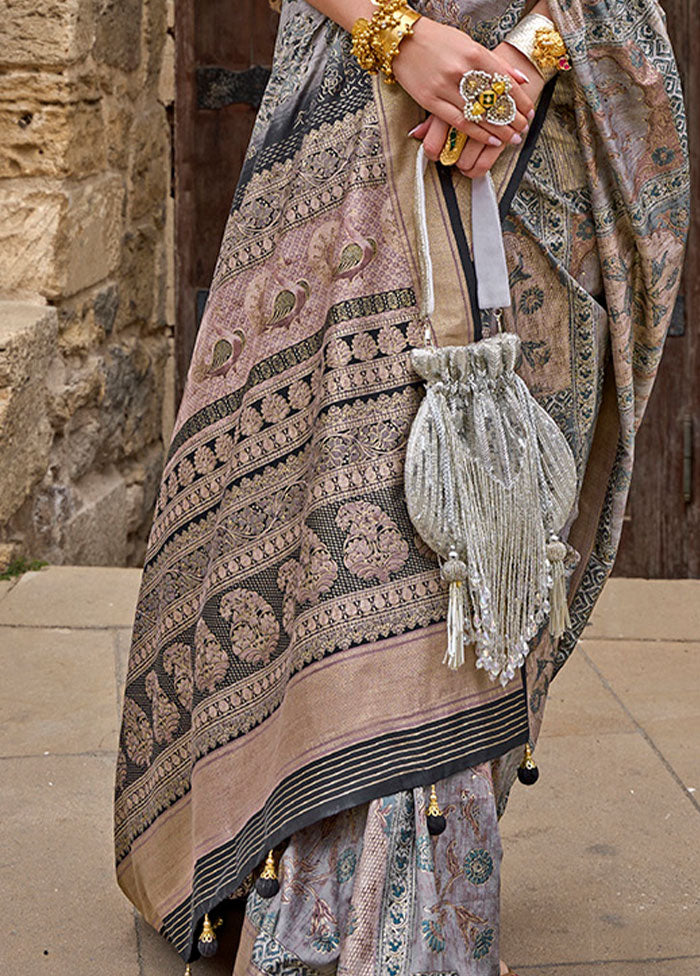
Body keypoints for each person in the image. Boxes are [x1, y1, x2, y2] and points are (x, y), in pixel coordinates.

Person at [113, 1, 689, 974]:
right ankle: (317, 891)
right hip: (358, 115)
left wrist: (527, 54)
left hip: (536, 127)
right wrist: (398, 37)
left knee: (471, 524)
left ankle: (426, 890)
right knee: (359, 503)